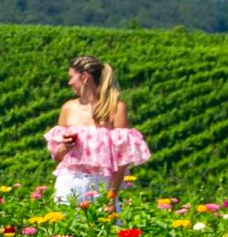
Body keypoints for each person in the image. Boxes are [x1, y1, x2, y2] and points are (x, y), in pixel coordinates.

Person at [44, 55, 150, 210]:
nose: (69, 82)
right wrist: (65, 148)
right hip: (68, 183)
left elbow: (122, 160)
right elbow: (58, 157)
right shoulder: (68, 108)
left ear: (85, 77)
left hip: (102, 186)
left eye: (71, 77)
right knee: (64, 233)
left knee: (105, 231)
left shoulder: (115, 109)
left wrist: (111, 198)